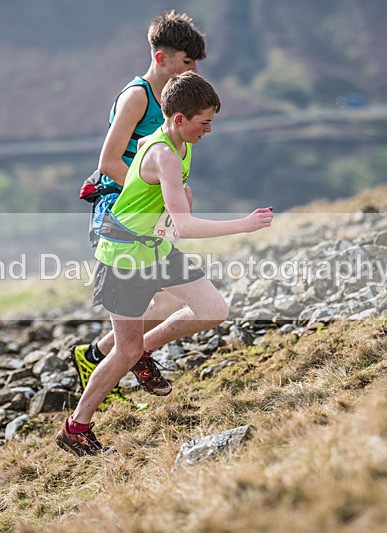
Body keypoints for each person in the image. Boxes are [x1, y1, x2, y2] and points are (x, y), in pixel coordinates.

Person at [57, 72, 274, 456]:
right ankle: (76, 427)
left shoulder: (174, 143)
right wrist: (246, 223)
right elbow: (185, 226)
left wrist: (177, 193)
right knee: (122, 352)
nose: (209, 130)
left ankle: (144, 349)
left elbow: (148, 154)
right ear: (178, 119)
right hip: (123, 259)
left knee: (212, 309)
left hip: (155, 250)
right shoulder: (165, 155)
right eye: (204, 122)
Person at [73, 10, 206, 411]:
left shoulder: (171, 101)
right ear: (162, 58)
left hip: (146, 211)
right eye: (187, 61)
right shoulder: (137, 96)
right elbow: (109, 160)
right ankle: (126, 357)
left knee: (167, 298)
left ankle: (102, 354)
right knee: (165, 294)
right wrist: (161, 190)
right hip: (119, 213)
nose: (194, 69)